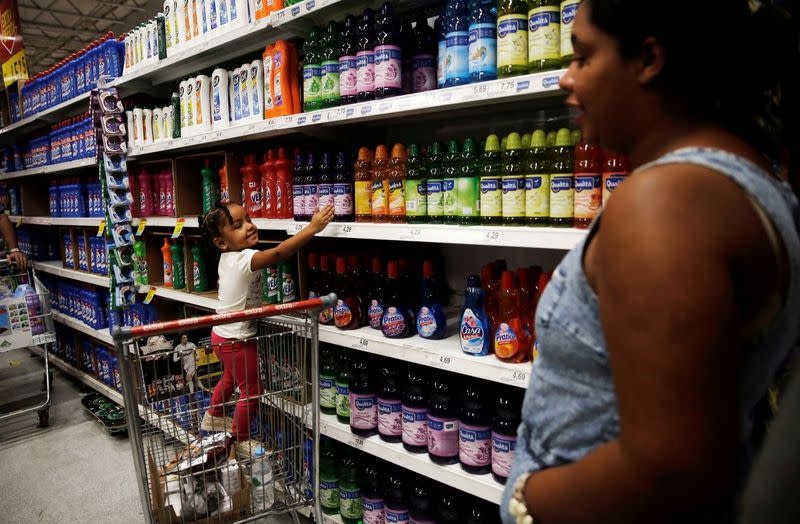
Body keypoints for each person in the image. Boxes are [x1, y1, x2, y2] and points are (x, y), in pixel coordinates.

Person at [502, 1, 800, 523]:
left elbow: (671, 474)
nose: (564, 80)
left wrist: (529, 495)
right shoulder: (743, 181)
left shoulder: (664, 203)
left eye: (583, 57)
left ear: (648, 59)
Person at [199, 200, 333, 458]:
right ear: (221, 242)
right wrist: (312, 228)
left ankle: (214, 415)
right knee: (252, 391)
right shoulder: (243, 258)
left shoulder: (227, 258)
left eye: (248, 219)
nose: (249, 226)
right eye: (238, 225)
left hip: (221, 334)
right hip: (237, 339)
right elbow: (279, 253)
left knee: (230, 378)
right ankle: (240, 438)